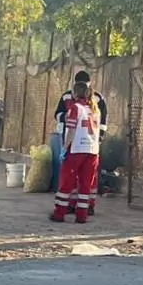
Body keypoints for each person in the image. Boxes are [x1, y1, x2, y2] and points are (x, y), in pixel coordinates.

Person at [52, 70, 107, 215]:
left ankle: (68, 208)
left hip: (75, 145)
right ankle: (83, 209)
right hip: (91, 147)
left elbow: (100, 124)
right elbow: (58, 114)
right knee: (87, 180)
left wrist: (65, 147)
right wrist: (98, 140)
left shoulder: (89, 102)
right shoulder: (91, 103)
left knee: (70, 177)